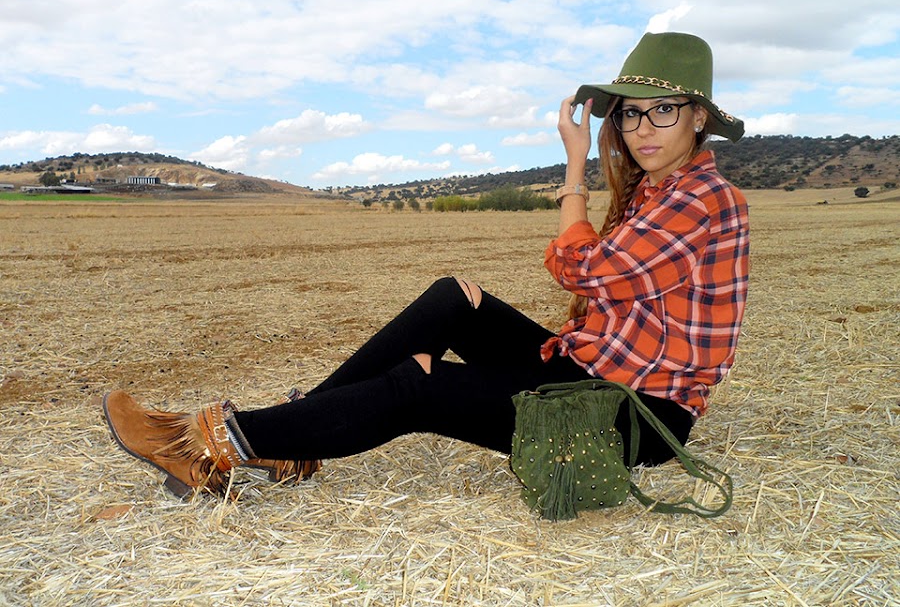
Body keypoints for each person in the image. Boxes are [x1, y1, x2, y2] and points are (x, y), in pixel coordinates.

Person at [103, 31, 749, 499]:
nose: (643, 127)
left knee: (419, 384)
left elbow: (582, 268)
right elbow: (593, 282)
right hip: (586, 368)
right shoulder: (657, 192)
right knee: (452, 299)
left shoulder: (705, 200)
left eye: (662, 110)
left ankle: (212, 444)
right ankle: (289, 440)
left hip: (632, 415)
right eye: (632, 112)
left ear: (699, 117)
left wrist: (574, 170)